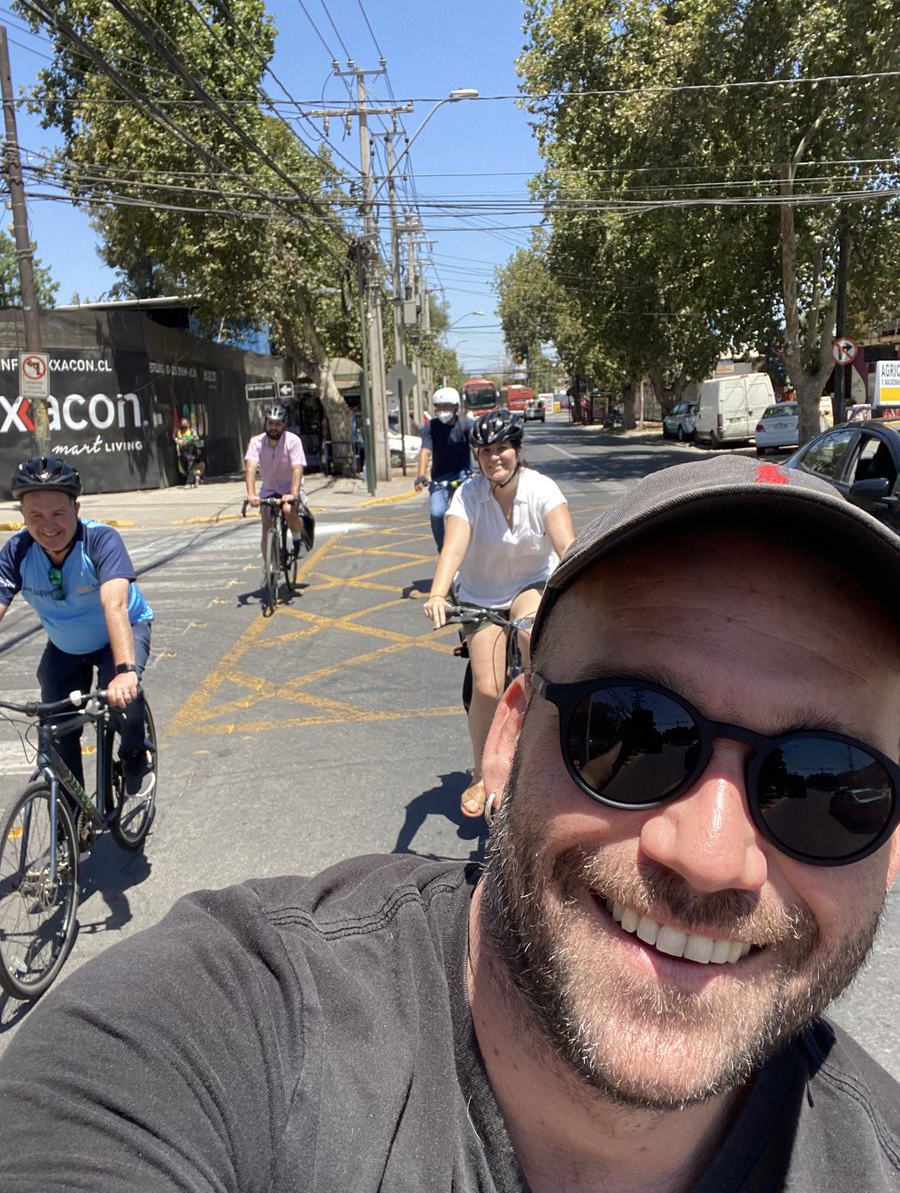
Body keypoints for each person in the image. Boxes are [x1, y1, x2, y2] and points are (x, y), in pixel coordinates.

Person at [4, 455, 900, 1193]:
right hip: (488, 606)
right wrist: (442, 590)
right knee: (481, 662)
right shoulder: (243, 1016)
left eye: (825, 785)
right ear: (509, 741)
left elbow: (557, 550)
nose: (707, 856)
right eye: (632, 732)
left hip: (524, 603)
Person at [423, 408, 574, 817]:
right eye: (485, 451)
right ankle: (480, 772)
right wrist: (438, 594)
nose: (494, 458)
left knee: (531, 639)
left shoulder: (543, 489)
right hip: (480, 597)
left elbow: (567, 547)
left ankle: (544, 753)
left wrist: (585, 588)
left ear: (517, 449)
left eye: (502, 448)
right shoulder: (467, 494)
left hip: (530, 587)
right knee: (487, 688)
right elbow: (452, 548)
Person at [0, 456, 155, 812]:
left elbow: (114, 605)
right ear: (22, 516)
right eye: (35, 516)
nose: (48, 526)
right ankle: (72, 819)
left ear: (77, 507)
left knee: (124, 696)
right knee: (55, 729)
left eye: (58, 513)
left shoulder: (101, 540)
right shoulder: (18, 551)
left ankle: (134, 753)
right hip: (66, 645)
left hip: (120, 632)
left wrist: (125, 670)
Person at [244, 404, 310, 557]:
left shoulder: (293, 441)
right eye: (270, 423)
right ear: (265, 423)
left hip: (289, 488)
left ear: (284, 425)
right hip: (269, 489)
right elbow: (251, 468)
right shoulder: (256, 442)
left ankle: (297, 538)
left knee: (288, 510)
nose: (273, 427)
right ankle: (269, 569)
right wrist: (251, 495)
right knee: (266, 521)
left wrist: (293, 493)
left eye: (278, 424)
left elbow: (297, 469)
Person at [414, 386, 474, 551]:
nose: (442, 410)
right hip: (440, 478)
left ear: (455, 407)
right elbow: (425, 452)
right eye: (438, 407)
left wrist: (483, 471)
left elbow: (478, 448)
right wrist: (420, 476)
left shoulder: (467, 425)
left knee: (469, 513)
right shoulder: (430, 427)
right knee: (437, 513)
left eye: (446, 406)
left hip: (464, 474)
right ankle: (444, 548)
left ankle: (472, 545)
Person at [173, 417, 203, 486]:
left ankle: (189, 482)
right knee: (184, 468)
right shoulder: (179, 432)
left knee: (190, 466)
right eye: (182, 423)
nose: (183, 425)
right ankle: (196, 475)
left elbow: (196, 438)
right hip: (182, 452)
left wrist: (189, 440)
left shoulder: (191, 430)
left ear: (188, 424)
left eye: (185, 423)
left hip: (191, 451)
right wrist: (179, 445)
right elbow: (176, 440)